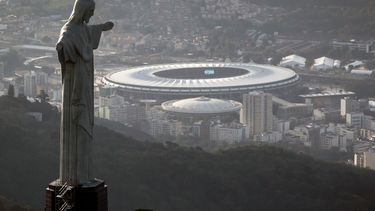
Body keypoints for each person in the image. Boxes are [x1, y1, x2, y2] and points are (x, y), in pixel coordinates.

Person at [56, 0, 113, 185]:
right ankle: (75, 177)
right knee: (76, 124)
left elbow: (87, 33)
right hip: (75, 84)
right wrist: (62, 47)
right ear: (82, 11)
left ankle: (84, 175)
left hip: (85, 82)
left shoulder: (81, 28)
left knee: (85, 125)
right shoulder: (70, 29)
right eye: (91, 11)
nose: (92, 15)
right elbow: (64, 40)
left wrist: (101, 28)